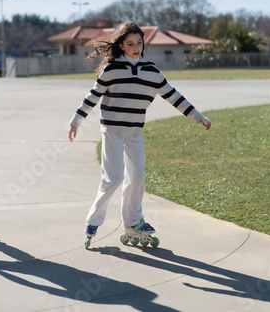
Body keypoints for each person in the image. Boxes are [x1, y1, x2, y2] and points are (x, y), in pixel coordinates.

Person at [68, 21, 211, 248]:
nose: (136, 47)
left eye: (139, 43)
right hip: (112, 131)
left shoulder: (151, 71)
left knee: (137, 178)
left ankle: (133, 223)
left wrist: (197, 116)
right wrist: (76, 121)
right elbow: (92, 96)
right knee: (113, 178)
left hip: (135, 132)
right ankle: (93, 221)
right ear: (122, 46)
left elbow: (173, 96)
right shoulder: (112, 68)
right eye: (130, 44)